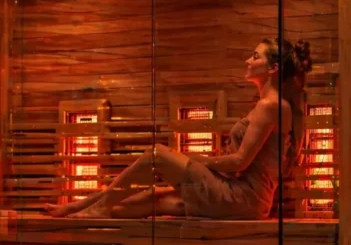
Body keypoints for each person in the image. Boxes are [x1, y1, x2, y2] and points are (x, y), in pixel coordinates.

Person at [44, 38, 313, 220]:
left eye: (255, 56)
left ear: (273, 68)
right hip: (240, 196)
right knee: (151, 198)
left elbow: (240, 161)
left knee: (157, 155)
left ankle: (89, 210)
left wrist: (196, 160)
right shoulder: (267, 105)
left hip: (242, 198)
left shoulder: (272, 106)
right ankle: (80, 208)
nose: (247, 60)